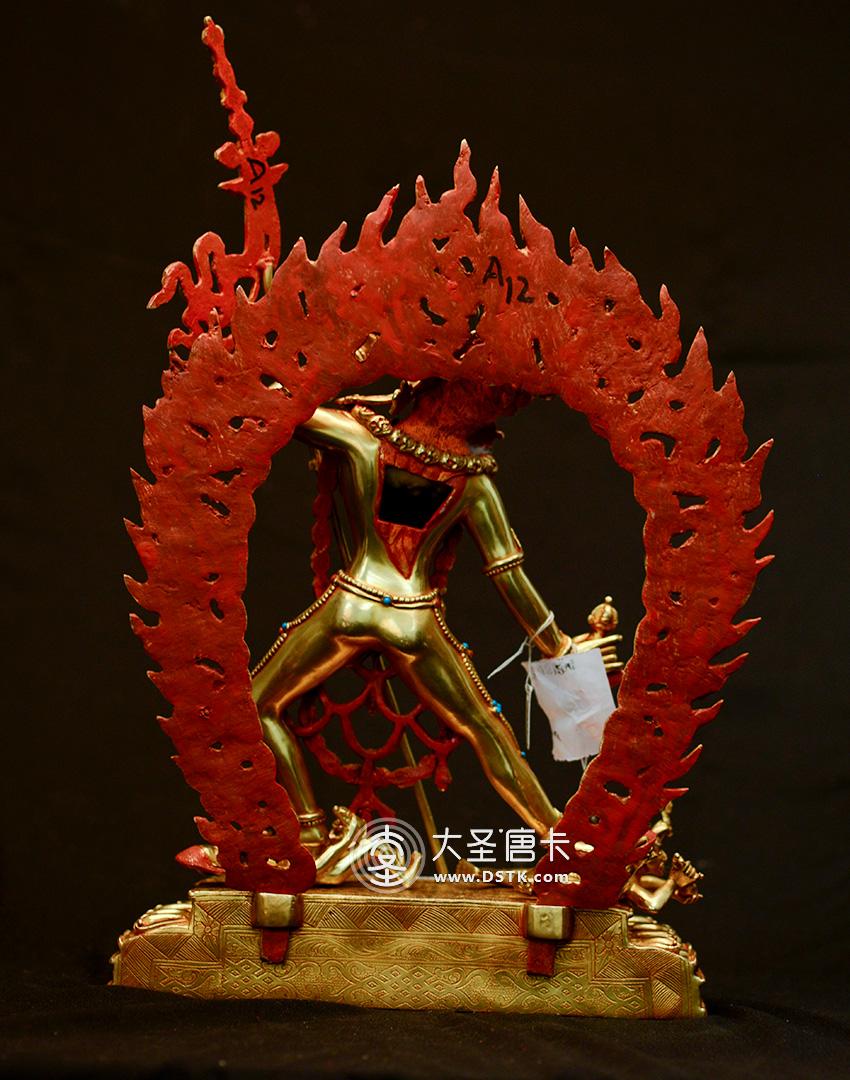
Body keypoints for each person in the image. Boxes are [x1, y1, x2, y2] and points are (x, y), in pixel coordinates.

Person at [251, 378, 583, 857]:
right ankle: (564, 840)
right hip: (414, 620)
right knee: (485, 729)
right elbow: (508, 576)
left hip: (353, 604)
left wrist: (352, 382)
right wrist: (559, 645)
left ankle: (308, 829)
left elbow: (284, 406)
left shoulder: (361, 440)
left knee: (259, 705)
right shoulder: (472, 485)